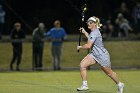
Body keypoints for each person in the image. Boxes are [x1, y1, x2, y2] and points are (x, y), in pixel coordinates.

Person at [76, 16, 124, 93]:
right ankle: (85, 85)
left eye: (90, 22)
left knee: (109, 73)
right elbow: (91, 39)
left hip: (102, 56)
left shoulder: (95, 32)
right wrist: (85, 32)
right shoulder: (93, 32)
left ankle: (120, 84)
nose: (88, 23)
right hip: (94, 55)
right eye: (88, 22)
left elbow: (88, 45)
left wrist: (80, 47)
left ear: (95, 24)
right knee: (82, 65)